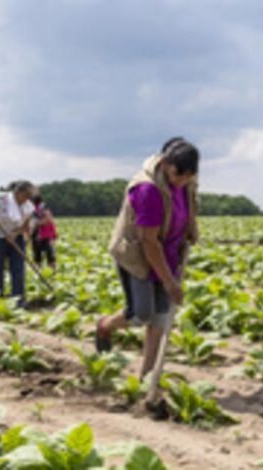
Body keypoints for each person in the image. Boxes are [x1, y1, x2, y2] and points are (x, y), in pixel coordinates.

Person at [95, 137, 199, 380]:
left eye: (188, 176)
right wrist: (170, 283)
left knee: (160, 318)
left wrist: (192, 226)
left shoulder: (187, 180)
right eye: (178, 176)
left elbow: (190, 202)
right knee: (141, 314)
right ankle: (105, 326)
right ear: (164, 164)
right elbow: (149, 242)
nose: (182, 181)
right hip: (138, 255)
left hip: (169, 253)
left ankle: (148, 376)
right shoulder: (148, 190)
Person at [0, 181, 36, 307]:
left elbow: (24, 226)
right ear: (18, 193)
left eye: (30, 196)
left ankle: (18, 298)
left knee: (18, 267)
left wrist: (14, 235)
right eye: (26, 195)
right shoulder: (2, 198)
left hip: (16, 237)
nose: (28, 198)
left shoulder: (29, 206)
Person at [31, 195, 58, 270]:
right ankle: (40, 271)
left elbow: (48, 219)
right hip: (38, 234)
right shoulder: (34, 209)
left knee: (50, 254)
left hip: (45, 234)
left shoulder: (43, 208)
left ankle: (52, 270)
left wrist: (37, 223)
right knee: (37, 254)